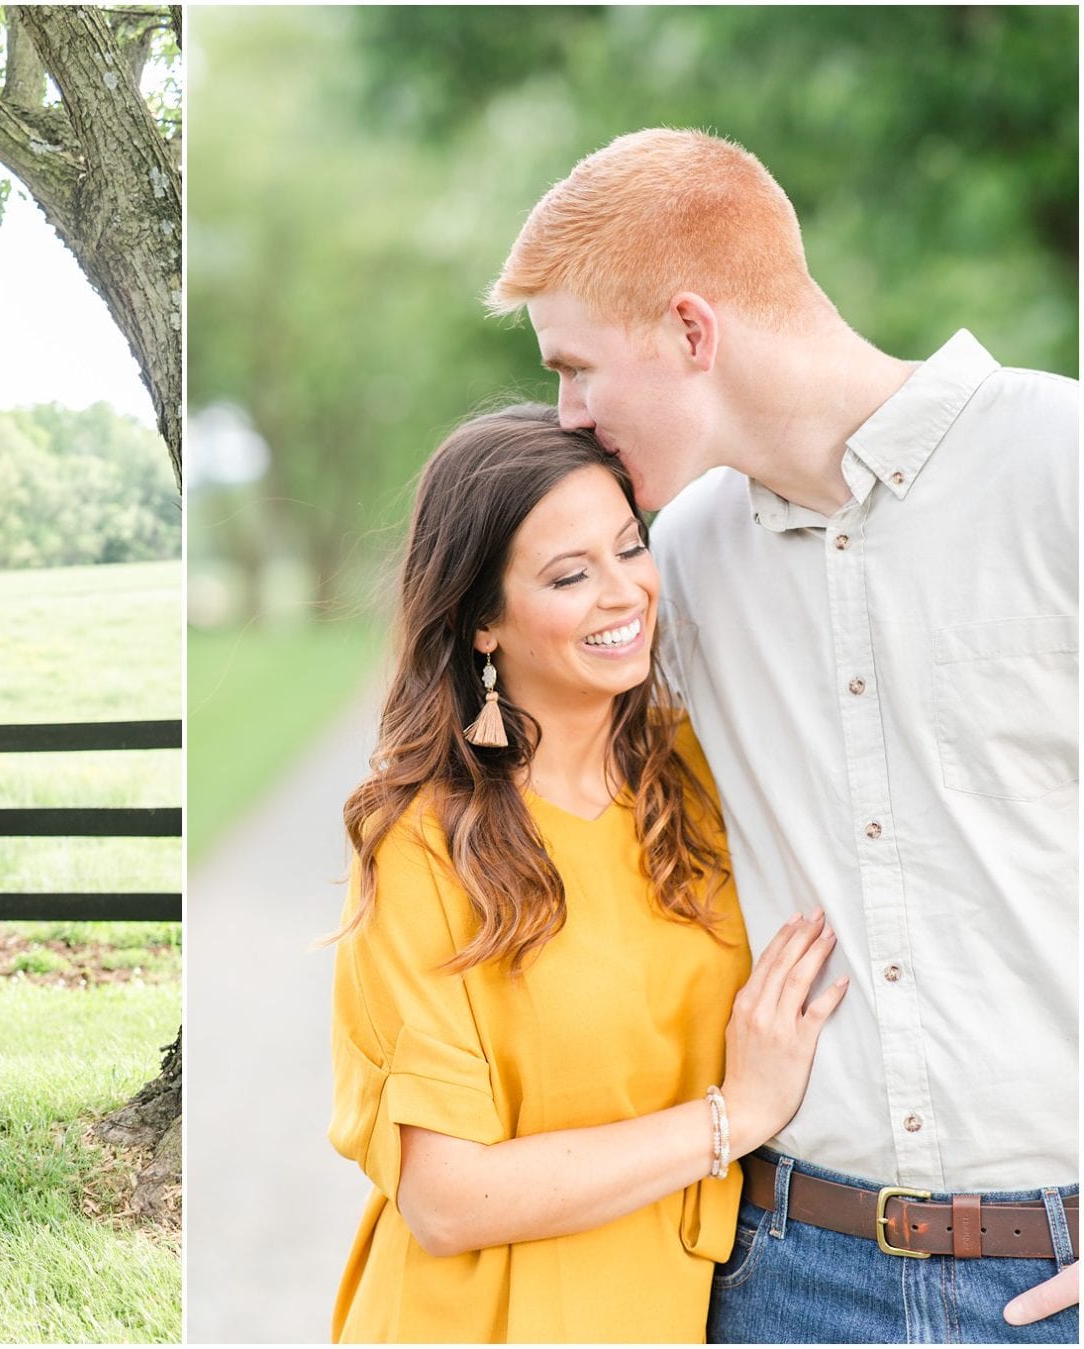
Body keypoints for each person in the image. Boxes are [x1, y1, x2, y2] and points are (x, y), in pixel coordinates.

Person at [488, 128, 1078, 1341]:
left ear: (692, 333)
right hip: (788, 1273)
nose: (568, 414)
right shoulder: (669, 569)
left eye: (578, 367)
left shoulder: (1057, 466)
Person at [329, 404, 847, 1342]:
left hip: (670, 1308)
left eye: (629, 547)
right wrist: (735, 1115)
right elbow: (446, 1197)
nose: (625, 593)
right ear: (482, 621)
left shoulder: (696, 775)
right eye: (570, 574)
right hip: (480, 1321)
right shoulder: (423, 840)